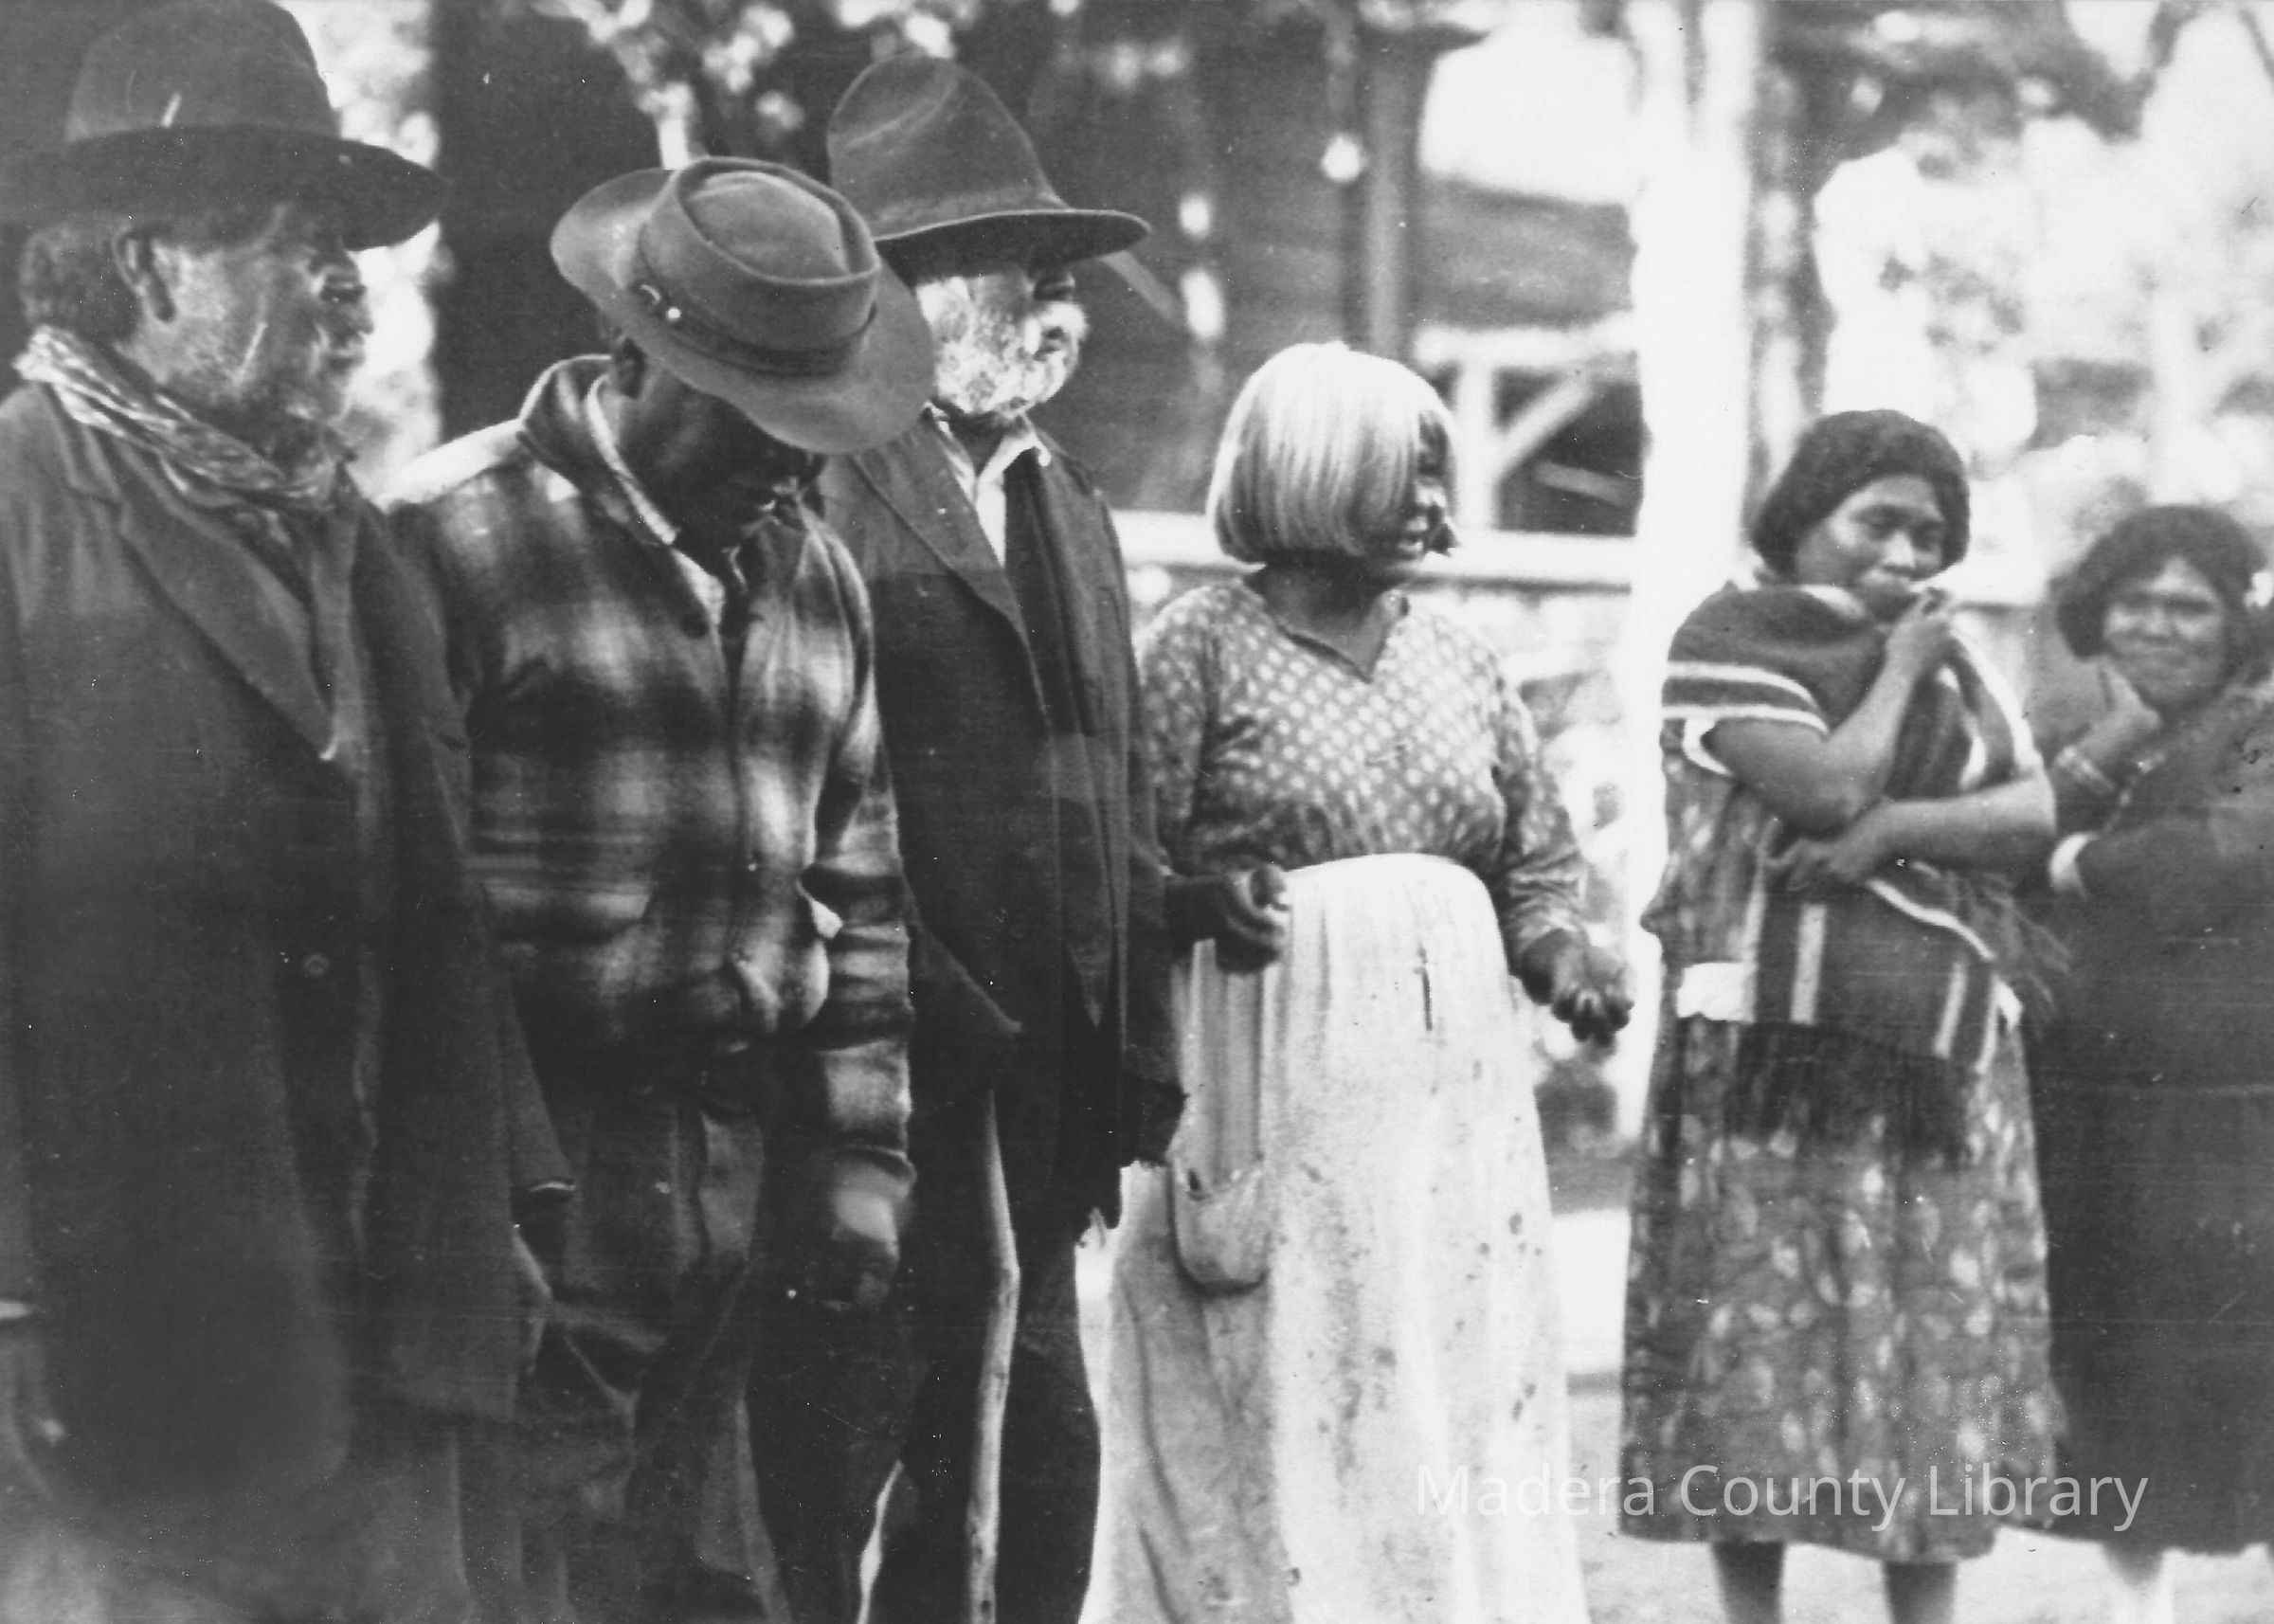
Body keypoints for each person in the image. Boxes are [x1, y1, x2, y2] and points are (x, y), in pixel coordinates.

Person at [0, 3, 566, 1619]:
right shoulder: (21, 512)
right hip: (130, 1351)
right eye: (292, 239)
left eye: (350, 246)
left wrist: (505, 1200)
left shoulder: (347, 536)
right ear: (145, 264)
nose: (346, 286)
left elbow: (439, 896)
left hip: (386, 1326)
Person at [387, 159, 930, 1623]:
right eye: (753, 417)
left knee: (701, 1571)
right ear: (634, 356)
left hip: (739, 1152)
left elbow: (861, 878)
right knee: (534, 1563)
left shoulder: (816, 576)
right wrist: (475, 1189)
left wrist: (862, 1154)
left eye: (815, 428)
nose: (789, 465)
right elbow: (397, 911)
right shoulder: (451, 537)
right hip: (539, 1158)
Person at [1090, 340, 1626, 1624]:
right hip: (1268, 1066)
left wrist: (1562, 955)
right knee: (1279, 1358)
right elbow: (1118, 864)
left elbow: (1533, 862)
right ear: (1317, 477)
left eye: (1439, 473)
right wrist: (1197, 902)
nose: (1438, 503)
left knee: (1444, 1359)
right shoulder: (1201, 647)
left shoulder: (1461, 657)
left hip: (1450, 1100)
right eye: (1408, 475)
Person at [745, 54, 1179, 1624]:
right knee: (842, 1451)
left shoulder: (1065, 498)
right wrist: (921, 1010)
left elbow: (1113, 795)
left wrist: (1131, 1029)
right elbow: (793, 796)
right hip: (879, 1073)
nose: (1060, 295)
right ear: (905, 291)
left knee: (1037, 1452)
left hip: (1047, 1084)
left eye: (1062, 263)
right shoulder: (817, 485)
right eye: (1014, 257)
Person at [1619, 410, 2062, 1624]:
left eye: (1930, 535)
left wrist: (1897, 833)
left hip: (1932, 1048)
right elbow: (1823, 788)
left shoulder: (1954, 662)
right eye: (1877, 523)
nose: (1905, 556)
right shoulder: (1729, 638)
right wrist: (1903, 675)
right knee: (1753, 1339)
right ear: (1802, 518)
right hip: (1768, 1049)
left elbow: (2030, 816)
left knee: (1927, 1331)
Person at [2027, 507, 2274, 1624]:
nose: (2160, 626)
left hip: (2235, 1109)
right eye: (2136, 601)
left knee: (2248, 1370)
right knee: (2121, 1376)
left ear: (2236, 624)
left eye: (2191, 606)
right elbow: (1996, 836)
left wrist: (2080, 862)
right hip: (2093, 1105)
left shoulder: (2260, 726)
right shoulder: (2077, 727)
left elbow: (2225, 852)